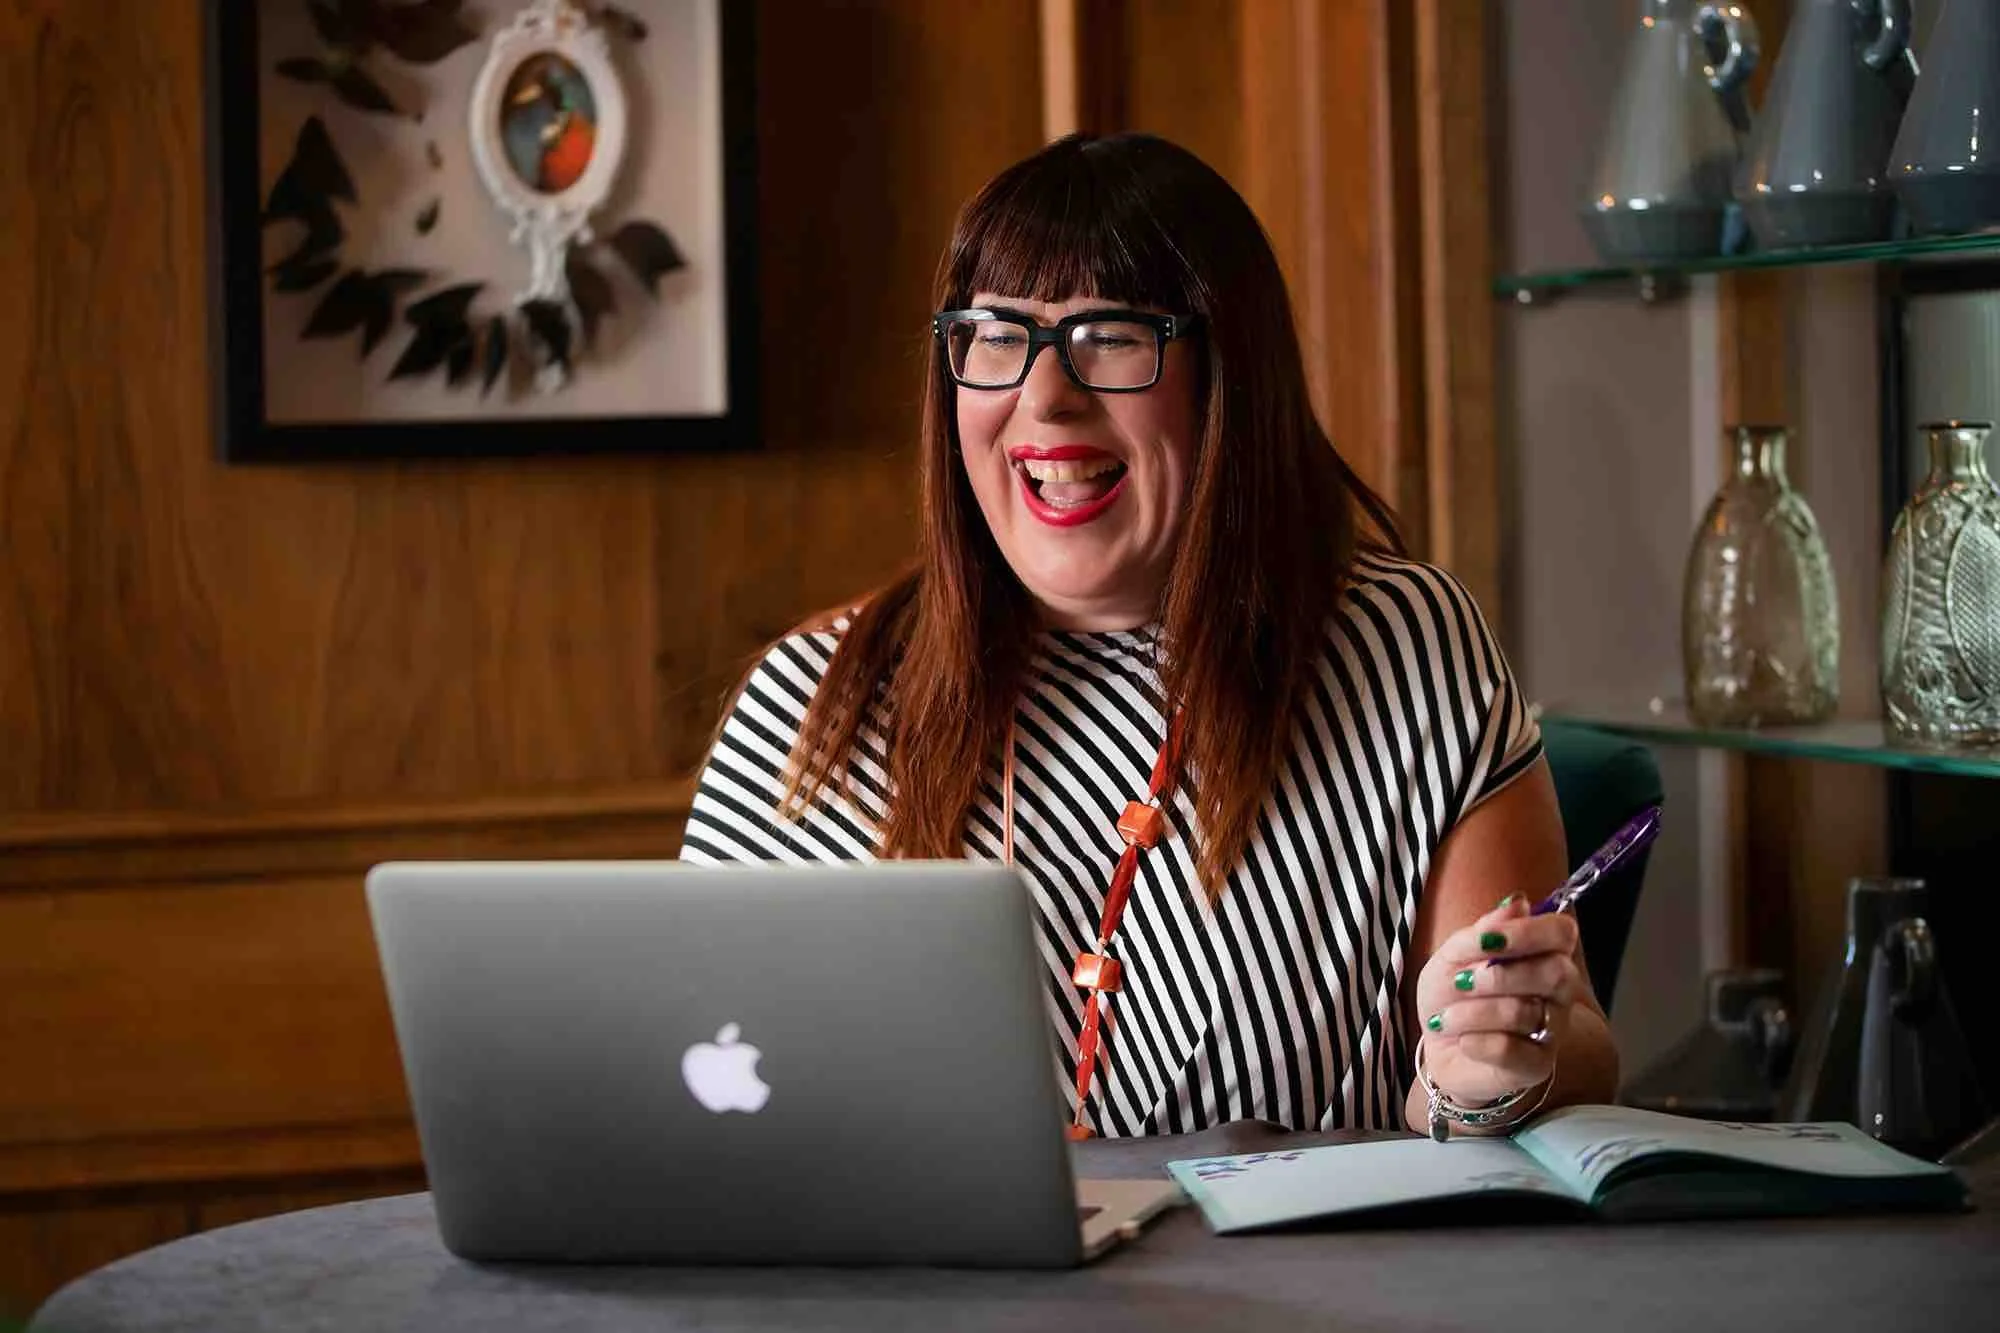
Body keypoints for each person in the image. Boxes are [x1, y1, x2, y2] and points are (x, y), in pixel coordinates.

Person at [680, 132, 1619, 1139]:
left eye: (1111, 336)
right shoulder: (811, 694)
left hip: (1308, 1290)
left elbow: (1570, 1047)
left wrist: (1485, 1071)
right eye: (995, 335)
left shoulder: (1403, 647)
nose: (1043, 398)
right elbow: (692, 1083)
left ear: (1229, 376)